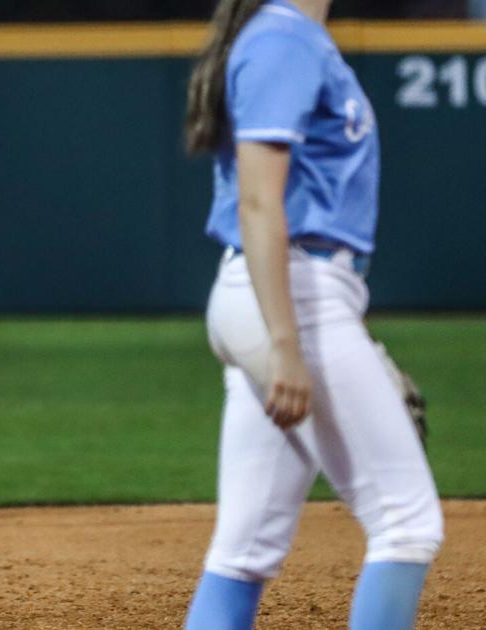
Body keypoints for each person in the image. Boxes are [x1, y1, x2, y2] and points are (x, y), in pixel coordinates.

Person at [181, 1, 444, 628]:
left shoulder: (290, 36)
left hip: (293, 291)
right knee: (407, 525)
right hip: (291, 292)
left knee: (245, 549)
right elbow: (258, 200)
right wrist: (286, 342)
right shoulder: (283, 39)